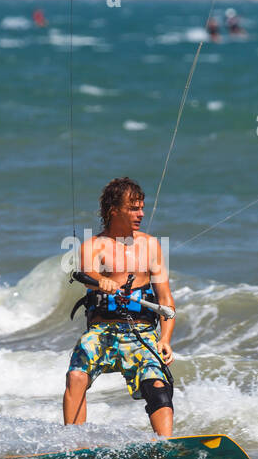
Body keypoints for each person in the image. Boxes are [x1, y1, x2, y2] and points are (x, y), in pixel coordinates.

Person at [64, 178, 176, 436]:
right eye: (134, 208)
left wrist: (166, 339)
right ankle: (73, 444)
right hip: (102, 331)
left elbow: (165, 300)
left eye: (142, 208)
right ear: (114, 210)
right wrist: (100, 281)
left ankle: (165, 445)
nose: (141, 214)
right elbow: (87, 275)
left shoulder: (150, 246)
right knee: (76, 375)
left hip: (141, 332)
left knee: (156, 382)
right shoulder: (92, 246)